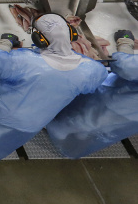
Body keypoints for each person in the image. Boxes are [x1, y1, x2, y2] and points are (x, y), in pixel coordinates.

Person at [0, 14, 107, 164]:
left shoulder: (27, 61)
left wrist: (5, 42)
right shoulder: (90, 70)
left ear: (40, 39)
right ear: (71, 34)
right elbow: (94, 83)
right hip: (30, 120)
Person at [46, 29, 138, 158]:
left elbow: (126, 66)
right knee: (107, 125)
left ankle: (60, 130)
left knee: (86, 118)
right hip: (132, 114)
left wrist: (125, 42)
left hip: (118, 102)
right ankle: (79, 135)